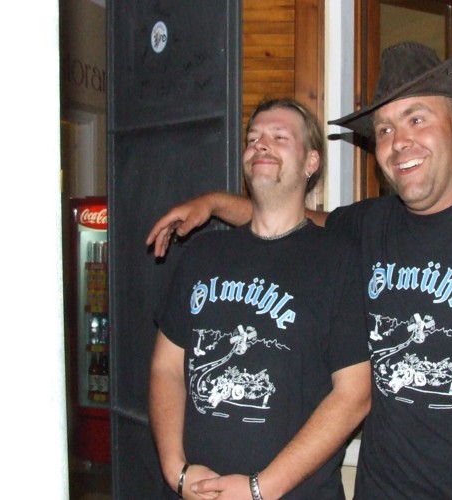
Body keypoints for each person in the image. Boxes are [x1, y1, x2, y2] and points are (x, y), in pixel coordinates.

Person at [146, 42, 452, 499]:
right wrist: (214, 204)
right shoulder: (369, 226)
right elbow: (291, 220)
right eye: (383, 130)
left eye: (416, 119)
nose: (399, 142)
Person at [149, 98, 371, 500]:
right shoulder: (202, 254)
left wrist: (259, 489)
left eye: (279, 137)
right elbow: (166, 368)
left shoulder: (341, 261)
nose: (261, 144)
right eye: (253, 139)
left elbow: (354, 395)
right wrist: (175, 471)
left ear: (311, 162)